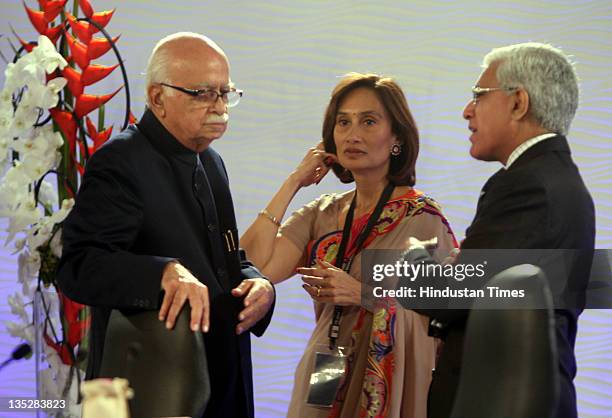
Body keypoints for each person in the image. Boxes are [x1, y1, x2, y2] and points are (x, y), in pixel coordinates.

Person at [56, 32, 275, 418]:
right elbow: (78, 266)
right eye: (203, 94)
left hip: (221, 381)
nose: (220, 107)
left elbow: (224, 257)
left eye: (226, 93)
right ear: (158, 98)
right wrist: (161, 273)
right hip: (148, 386)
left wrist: (259, 283)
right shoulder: (121, 161)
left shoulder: (211, 162)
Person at [240, 73, 457, 417]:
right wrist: (294, 181)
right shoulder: (321, 213)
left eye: (369, 121)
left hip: (386, 380)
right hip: (325, 365)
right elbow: (255, 266)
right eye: (343, 122)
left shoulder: (422, 219)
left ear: (397, 138)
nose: (353, 135)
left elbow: (439, 319)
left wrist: (362, 294)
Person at [403, 42, 595, 418]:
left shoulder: (529, 185)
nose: (466, 111)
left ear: (518, 102)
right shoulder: (553, 179)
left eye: (478, 95)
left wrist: (414, 258)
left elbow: (449, 296)